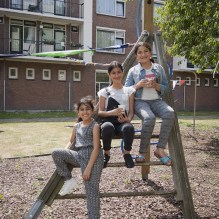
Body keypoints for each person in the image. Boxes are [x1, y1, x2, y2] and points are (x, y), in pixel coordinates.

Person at [52, 96, 103, 219]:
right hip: (80, 155)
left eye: (88, 109)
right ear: (78, 112)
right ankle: (69, 179)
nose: (85, 112)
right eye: (82, 109)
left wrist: (88, 168)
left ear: (92, 111)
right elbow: (71, 141)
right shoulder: (77, 126)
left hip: (93, 159)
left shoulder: (95, 126)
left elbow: (96, 148)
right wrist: (66, 152)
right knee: (56, 152)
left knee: (91, 191)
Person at [125, 42, 174, 166]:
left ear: (150, 53)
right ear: (136, 56)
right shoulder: (133, 70)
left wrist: (156, 85)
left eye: (146, 51)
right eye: (139, 52)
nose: (143, 54)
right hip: (139, 101)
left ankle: (160, 149)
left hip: (156, 100)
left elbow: (166, 87)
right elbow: (126, 90)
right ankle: (142, 152)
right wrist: (138, 85)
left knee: (170, 113)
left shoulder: (158, 68)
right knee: (150, 118)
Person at [98, 61, 135, 168]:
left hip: (122, 123)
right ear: (109, 75)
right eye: (113, 73)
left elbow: (131, 111)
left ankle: (127, 154)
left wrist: (127, 120)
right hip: (108, 121)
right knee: (106, 127)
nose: (117, 75)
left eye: (119, 72)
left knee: (129, 127)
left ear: (123, 73)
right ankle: (106, 154)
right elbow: (100, 112)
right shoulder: (104, 91)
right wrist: (112, 112)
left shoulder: (129, 91)